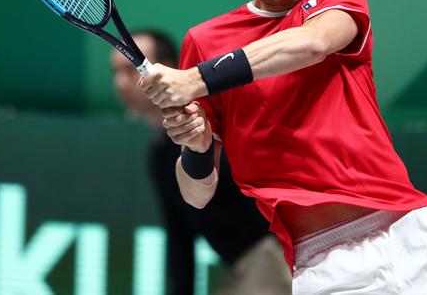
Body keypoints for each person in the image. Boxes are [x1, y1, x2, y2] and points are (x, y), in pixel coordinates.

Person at [138, 0, 427, 294]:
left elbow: (313, 44)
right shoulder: (205, 41)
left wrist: (193, 79)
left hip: (411, 232)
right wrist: (194, 144)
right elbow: (196, 194)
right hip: (326, 263)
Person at [111, 29, 292, 295]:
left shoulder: (214, 116)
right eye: (116, 72)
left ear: (167, 69)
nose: (121, 83)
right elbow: (180, 235)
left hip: (276, 253)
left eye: (131, 70)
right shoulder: (158, 155)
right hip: (250, 264)